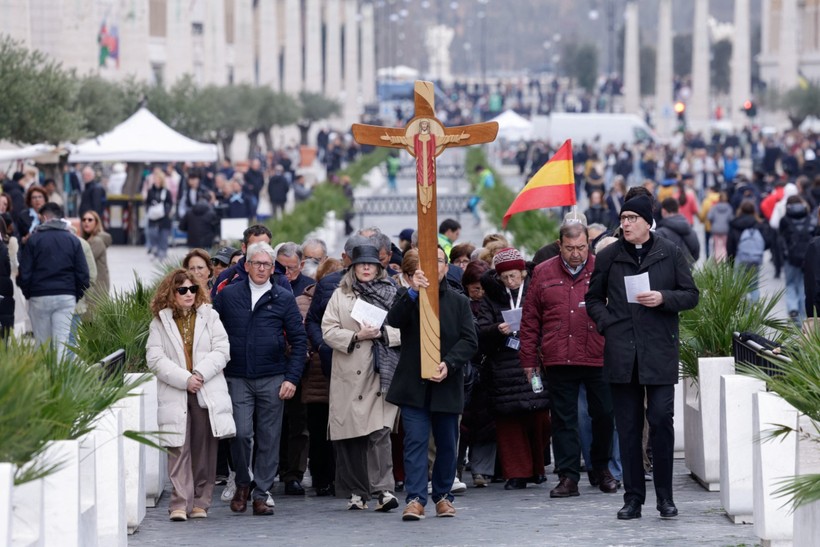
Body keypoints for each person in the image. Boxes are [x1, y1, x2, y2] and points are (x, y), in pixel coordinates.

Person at [586, 194, 699, 520]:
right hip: (622, 353)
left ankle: (665, 498)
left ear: (648, 221)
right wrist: (608, 324)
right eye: (623, 218)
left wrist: (663, 297)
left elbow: (691, 295)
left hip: (659, 350)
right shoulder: (609, 256)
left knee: (662, 421)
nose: (625, 224)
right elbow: (592, 298)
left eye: (632, 218)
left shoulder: (670, 251)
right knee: (629, 427)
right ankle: (633, 497)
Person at [519, 222, 617, 499]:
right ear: (559, 244)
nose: (576, 254)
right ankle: (568, 476)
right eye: (570, 248)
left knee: (604, 415)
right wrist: (528, 359)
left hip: (598, 354)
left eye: (582, 247)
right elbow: (530, 319)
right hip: (559, 356)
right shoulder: (542, 271)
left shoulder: (602, 268)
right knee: (563, 419)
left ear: (589, 244)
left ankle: (601, 468)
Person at [213, 242, 308, 516]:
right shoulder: (228, 295)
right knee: (241, 434)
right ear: (247, 265)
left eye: (267, 264)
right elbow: (211, 329)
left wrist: (291, 378)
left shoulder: (283, 297)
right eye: (257, 263)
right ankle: (243, 482)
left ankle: (261, 493)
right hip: (237, 376)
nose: (262, 268)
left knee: (269, 437)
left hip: (273, 376)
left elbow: (299, 340)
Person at [387, 246, 478, 520]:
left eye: (439, 260)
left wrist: (448, 364)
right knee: (414, 443)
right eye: (429, 260)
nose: (434, 265)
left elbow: (470, 341)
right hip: (414, 385)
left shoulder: (459, 302)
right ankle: (415, 498)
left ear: (446, 266)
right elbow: (394, 320)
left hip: (446, 384)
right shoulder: (407, 295)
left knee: (447, 444)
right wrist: (413, 292)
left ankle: (442, 496)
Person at [146, 269, 235, 521]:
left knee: (204, 449)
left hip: (206, 389)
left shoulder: (210, 316)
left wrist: (198, 374)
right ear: (171, 293)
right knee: (177, 447)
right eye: (182, 290)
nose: (188, 294)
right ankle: (179, 502)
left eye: (192, 289)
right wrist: (184, 379)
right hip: (176, 391)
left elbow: (223, 350)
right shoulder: (159, 322)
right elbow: (154, 358)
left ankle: (200, 502)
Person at [321, 245, 402, 512]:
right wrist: (356, 336)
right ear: (353, 268)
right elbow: (328, 330)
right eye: (361, 264)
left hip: (382, 373)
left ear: (379, 268)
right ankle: (357, 491)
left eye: (371, 264)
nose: (366, 268)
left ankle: (383, 490)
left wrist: (382, 334)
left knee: (380, 432)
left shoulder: (392, 293)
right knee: (352, 435)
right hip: (349, 372)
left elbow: (408, 330)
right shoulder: (340, 296)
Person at [477, 248, 551, 490]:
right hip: (503, 365)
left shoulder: (536, 291)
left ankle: (537, 469)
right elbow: (481, 330)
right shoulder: (489, 299)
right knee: (509, 423)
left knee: (538, 416)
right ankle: (516, 473)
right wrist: (496, 330)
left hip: (533, 361)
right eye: (505, 277)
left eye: (514, 276)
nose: (510, 281)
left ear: (523, 272)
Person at [17, 203, 90, 356]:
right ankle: (61, 378)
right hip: (66, 296)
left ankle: (43, 378)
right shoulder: (73, 240)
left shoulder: (34, 240)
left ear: (44, 217)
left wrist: (29, 293)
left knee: (42, 346)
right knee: (61, 346)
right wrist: (74, 295)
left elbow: (24, 273)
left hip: (39, 295)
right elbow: (83, 275)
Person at [297, 258, 343, 497]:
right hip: (317, 375)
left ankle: (335, 477)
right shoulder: (304, 304)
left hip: (339, 373)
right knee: (317, 430)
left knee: (336, 431)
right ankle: (321, 477)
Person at [656, 198, 700, 263]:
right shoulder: (691, 230)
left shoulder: (660, 233)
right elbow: (696, 254)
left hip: (669, 271)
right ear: (678, 210)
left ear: (663, 211)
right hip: (688, 269)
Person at [80, 210, 112, 298]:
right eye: (84, 220)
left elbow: (83, 261)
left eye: (90, 220)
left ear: (96, 223)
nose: (86, 222)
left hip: (96, 290)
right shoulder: (88, 240)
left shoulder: (97, 241)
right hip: (92, 288)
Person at [145, 169, 174, 261]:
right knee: (152, 232)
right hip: (153, 216)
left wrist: (166, 211)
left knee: (163, 234)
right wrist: (149, 209)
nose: (156, 180)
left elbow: (170, 202)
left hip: (163, 216)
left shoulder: (166, 191)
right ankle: (155, 249)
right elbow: (147, 202)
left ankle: (162, 251)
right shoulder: (150, 191)